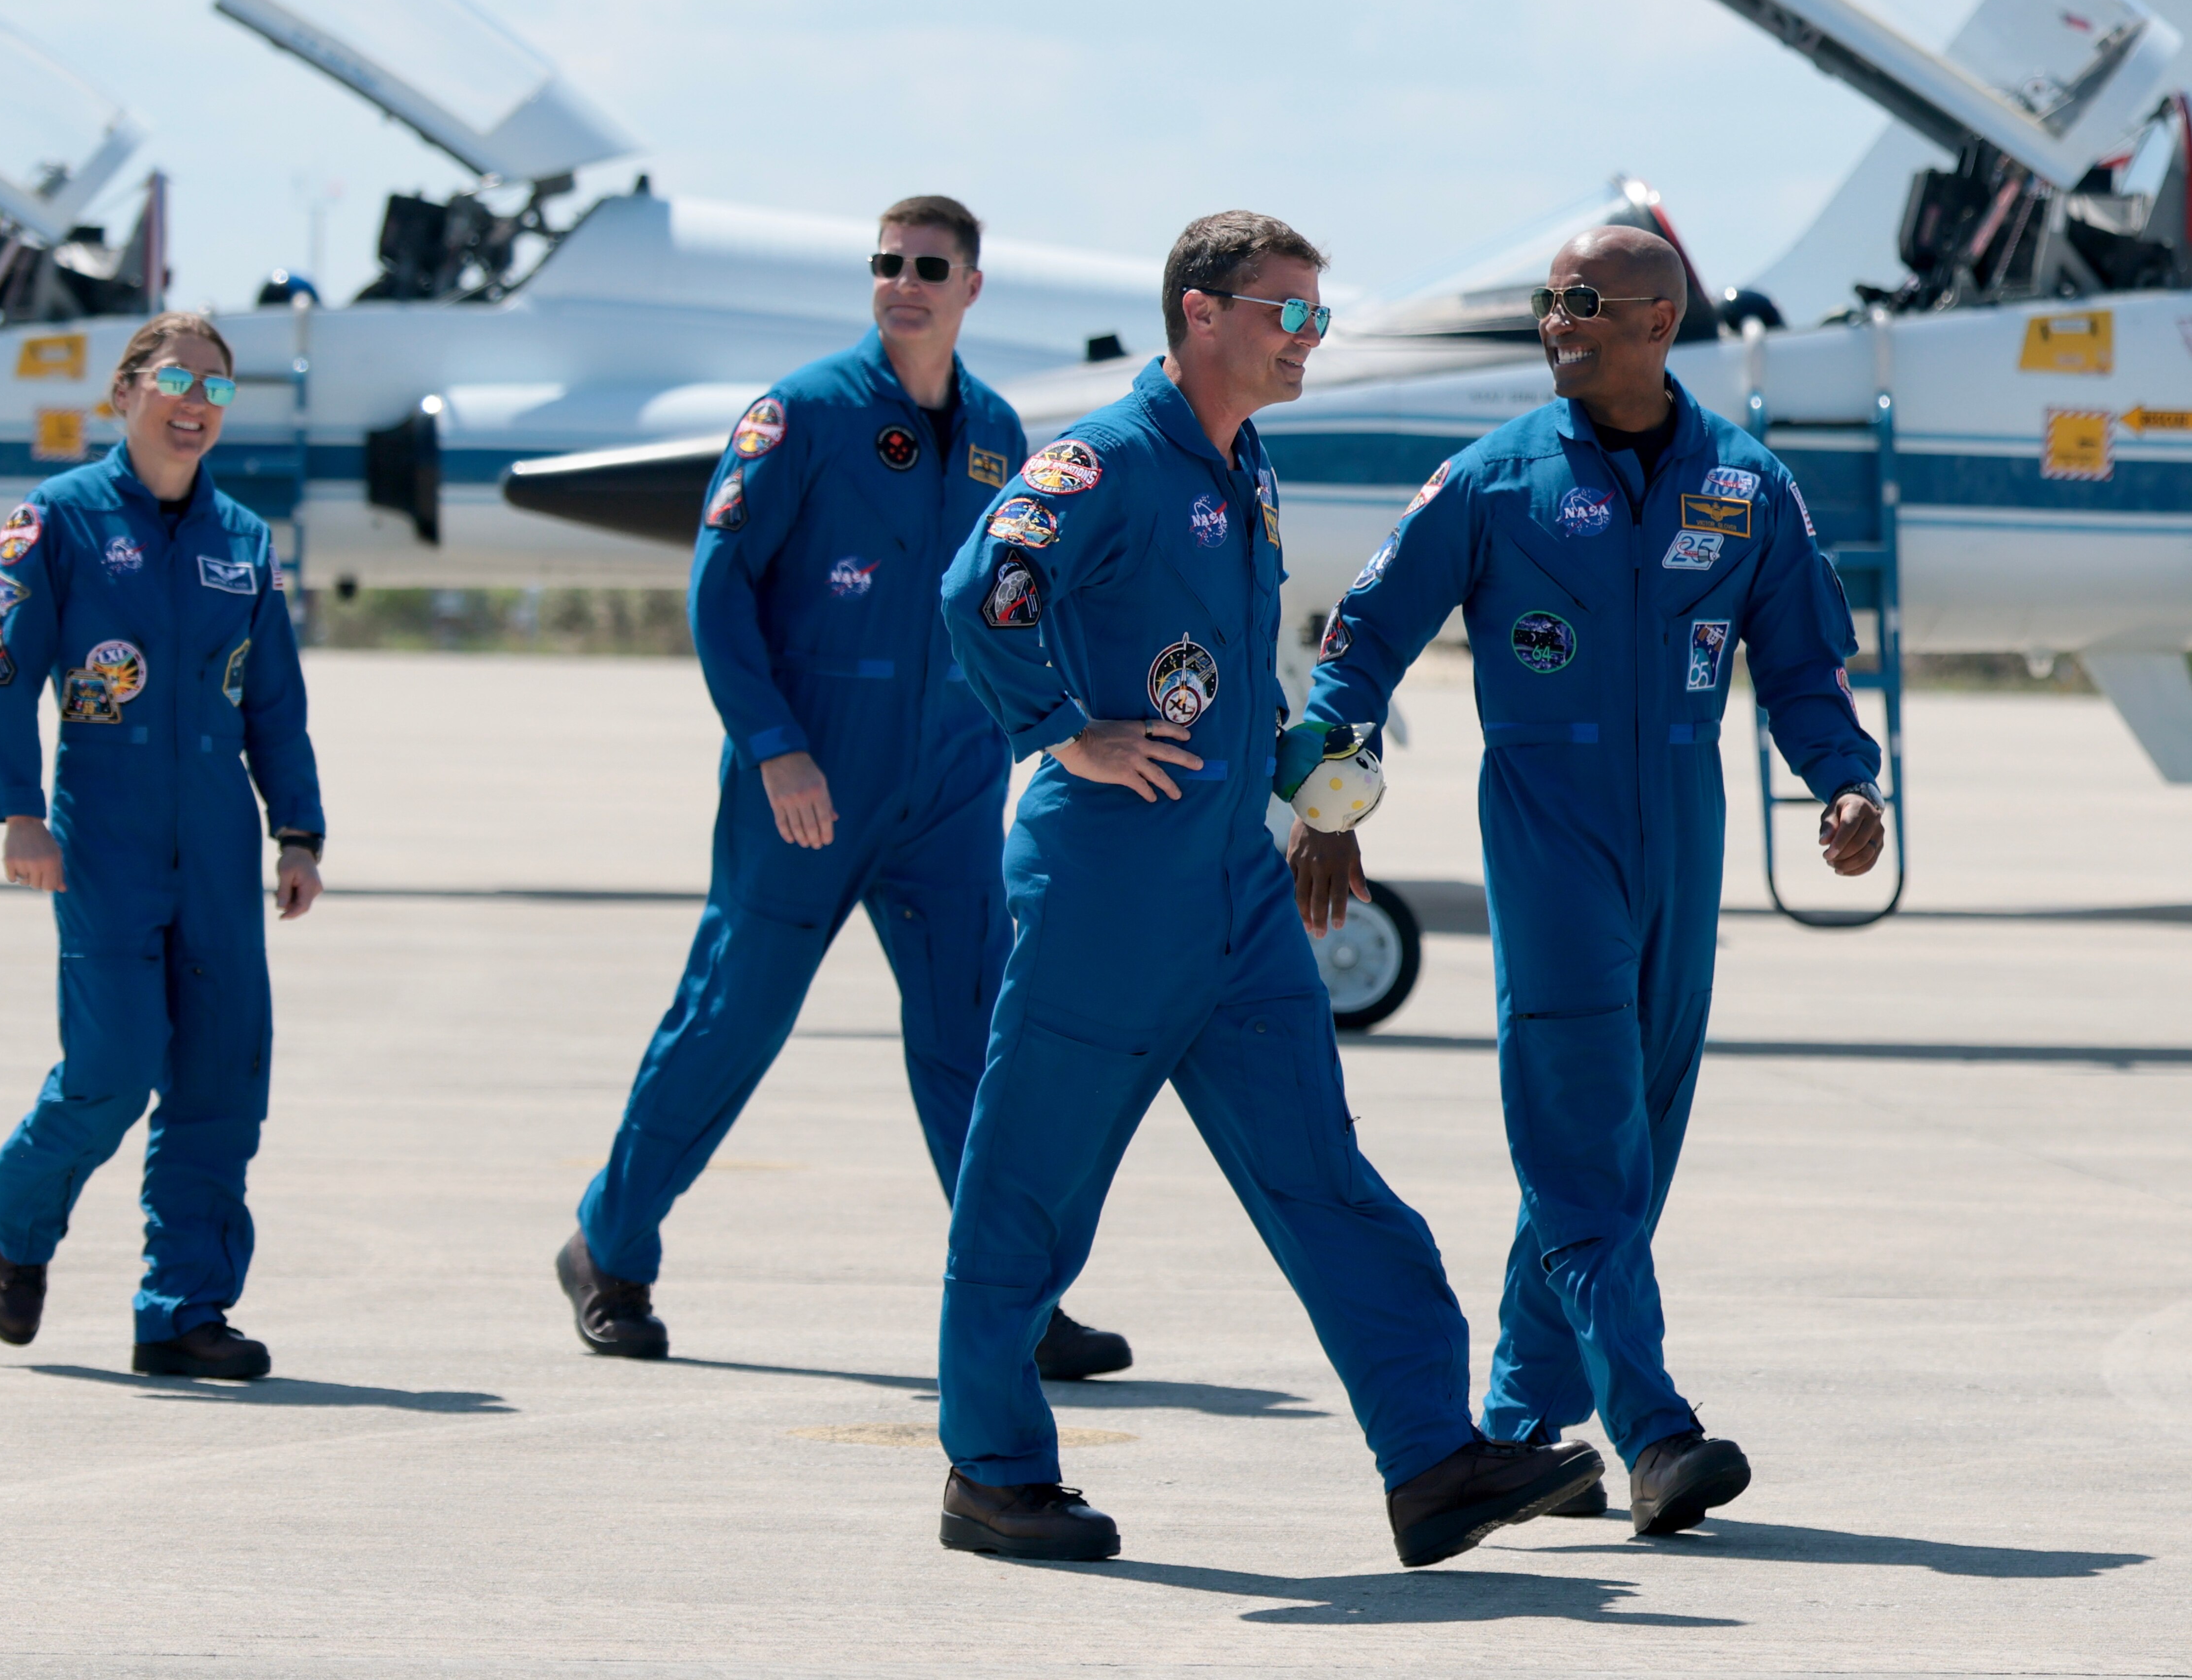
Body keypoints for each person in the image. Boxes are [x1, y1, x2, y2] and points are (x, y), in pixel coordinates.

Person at [931, 211, 1602, 1570]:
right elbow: (983, 586)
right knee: (1031, 1189)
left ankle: (1431, 1460)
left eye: (1318, 314)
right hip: (1109, 886)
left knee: (1326, 1176)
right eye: (1287, 313)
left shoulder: (1246, 467)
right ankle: (993, 1474)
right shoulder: (1107, 457)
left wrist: (1312, 784)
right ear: (1200, 312)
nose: (1312, 338)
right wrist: (1064, 729)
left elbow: (1226, 668)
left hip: (1233, 891)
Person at [1293, 225, 1885, 1535]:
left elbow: (1801, 669)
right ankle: (1653, 1431)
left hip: (1687, 824)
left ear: (1660, 322)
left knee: (1633, 1143)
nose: (1556, 323)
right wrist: (1331, 803)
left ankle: (1515, 1425)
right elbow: (1361, 646)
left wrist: (1846, 782)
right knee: (1579, 1139)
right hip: (1549, 829)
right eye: (1548, 303)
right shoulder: (1493, 482)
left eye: (1583, 304)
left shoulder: (1746, 485)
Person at [557, 195, 1130, 1381]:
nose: (903, 283)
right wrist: (773, 744)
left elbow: (1016, 597)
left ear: (971, 287)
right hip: (808, 779)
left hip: (949, 784)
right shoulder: (801, 415)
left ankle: (1020, 1296)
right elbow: (718, 590)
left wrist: (1047, 728)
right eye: (886, 264)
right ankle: (609, 1248)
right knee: (732, 1018)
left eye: (929, 267)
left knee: (977, 1044)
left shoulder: (998, 432)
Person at [0, 311, 326, 1382]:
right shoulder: (59, 522)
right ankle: (21, 1216)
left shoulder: (242, 541)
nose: (195, 404)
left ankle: (181, 1310)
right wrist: (18, 811)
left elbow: (275, 703)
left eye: (217, 388)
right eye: (176, 379)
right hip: (104, 838)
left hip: (218, 845)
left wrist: (298, 832)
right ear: (125, 392)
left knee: (222, 1081)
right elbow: (5, 672)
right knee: (112, 1071)